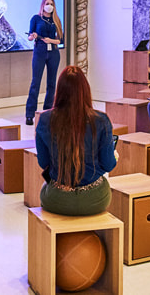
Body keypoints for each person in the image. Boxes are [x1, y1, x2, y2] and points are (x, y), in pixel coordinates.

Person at [35, 65, 116, 215]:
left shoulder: (45, 119)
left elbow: (43, 162)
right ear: (85, 90)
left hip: (56, 199)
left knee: (44, 187)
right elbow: (109, 164)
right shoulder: (101, 120)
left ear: (59, 91)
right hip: (95, 199)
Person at [25, 0, 63, 125]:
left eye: (52, 4)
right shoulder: (36, 18)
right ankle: (30, 114)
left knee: (52, 84)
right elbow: (30, 36)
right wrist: (34, 35)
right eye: (47, 3)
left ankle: (48, 112)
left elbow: (60, 40)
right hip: (39, 51)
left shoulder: (56, 20)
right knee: (35, 82)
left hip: (53, 52)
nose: (50, 6)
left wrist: (50, 40)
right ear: (43, 5)